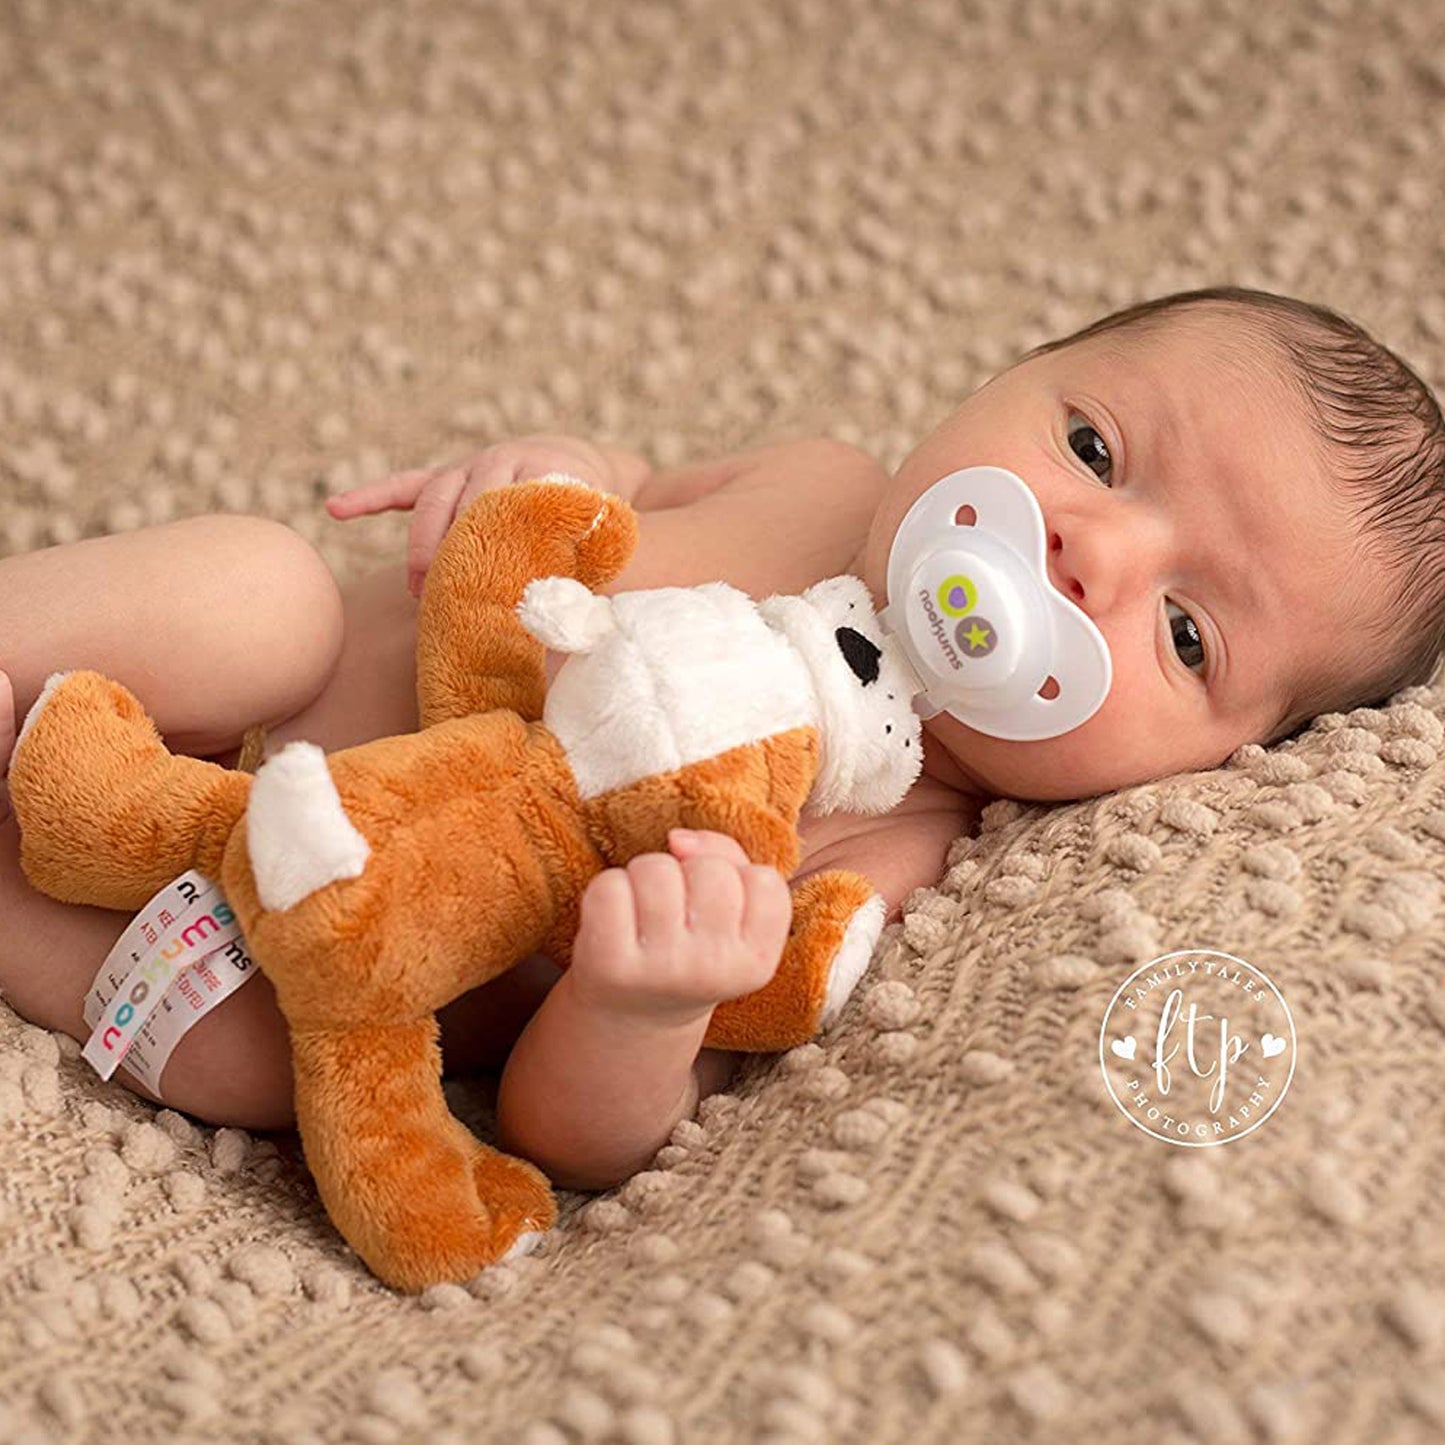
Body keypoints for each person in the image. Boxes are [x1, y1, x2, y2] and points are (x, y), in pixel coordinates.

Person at [1, 286, 1441, 1192]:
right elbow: (616, 483)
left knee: (257, 1068)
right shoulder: (814, 476)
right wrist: (541, 471)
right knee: (258, 590)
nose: (1091, 554)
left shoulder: (894, 856)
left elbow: (567, 1138)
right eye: (1092, 448)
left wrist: (639, 1006)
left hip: (268, 939)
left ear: (1220, 767)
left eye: (1187, 634)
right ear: (999, 373)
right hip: (259, 702)